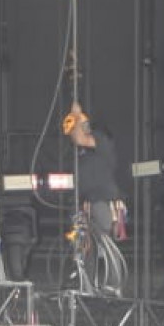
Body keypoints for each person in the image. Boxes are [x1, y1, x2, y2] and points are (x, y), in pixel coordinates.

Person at [64, 102, 127, 241]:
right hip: (84, 203)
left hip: (101, 201)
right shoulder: (82, 152)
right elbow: (76, 138)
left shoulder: (101, 141)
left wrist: (76, 115)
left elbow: (79, 139)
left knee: (102, 239)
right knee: (81, 243)